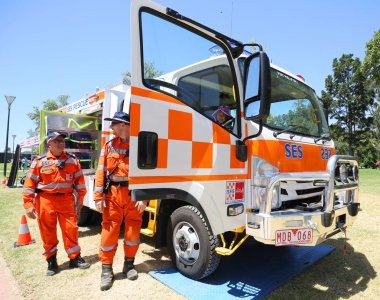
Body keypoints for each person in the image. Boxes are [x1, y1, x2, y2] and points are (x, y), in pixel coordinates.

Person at [22, 132, 90, 276]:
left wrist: (80, 200)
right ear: (49, 143)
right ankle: (51, 261)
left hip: (66, 200)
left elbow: (80, 183)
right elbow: (29, 184)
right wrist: (28, 204)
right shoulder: (39, 162)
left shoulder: (73, 161)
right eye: (57, 140)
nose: (61, 143)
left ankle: (74, 258)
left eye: (63, 141)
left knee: (71, 229)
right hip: (45, 200)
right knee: (48, 232)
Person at [94, 111, 148, 291]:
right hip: (113, 194)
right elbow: (100, 171)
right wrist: (98, 196)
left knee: (133, 230)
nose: (112, 128)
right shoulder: (108, 146)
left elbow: (146, 173)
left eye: (114, 124)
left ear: (123, 125)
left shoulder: (141, 145)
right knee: (109, 231)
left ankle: (129, 265)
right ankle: (107, 270)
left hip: (134, 194)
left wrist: (144, 197)